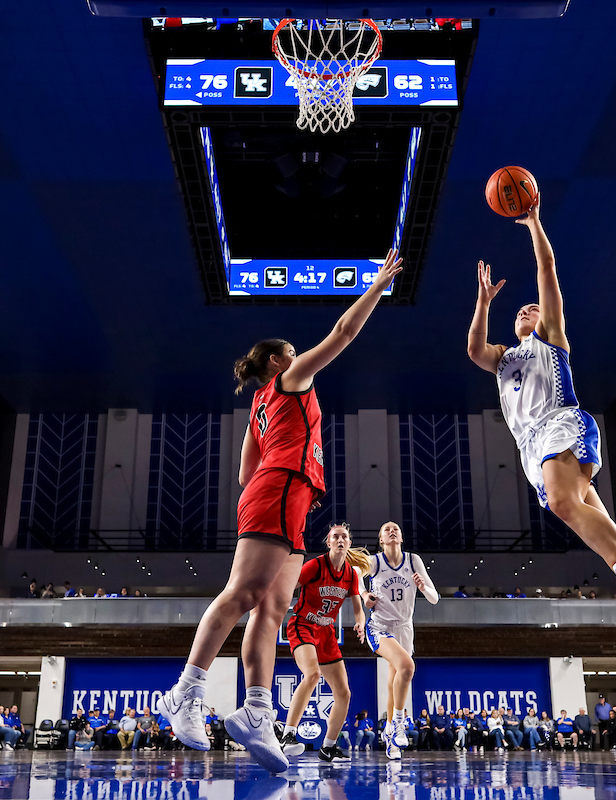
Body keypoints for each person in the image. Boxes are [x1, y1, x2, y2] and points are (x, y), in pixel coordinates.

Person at [155, 250, 402, 774]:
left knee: (272, 610)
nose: (298, 354)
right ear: (277, 362)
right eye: (291, 350)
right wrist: (377, 286)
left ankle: (258, 711)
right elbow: (343, 333)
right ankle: (184, 693)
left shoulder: (259, 407)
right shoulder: (290, 381)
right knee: (242, 595)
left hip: (285, 494)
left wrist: (280, 471)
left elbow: (244, 471)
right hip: (280, 490)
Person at [466, 200, 616, 659]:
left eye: (532, 309)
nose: (528, 310)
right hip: (532, 450)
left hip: (562, 423)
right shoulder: (502, 359)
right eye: (522, 311)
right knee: (607, 533)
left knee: (563, 503)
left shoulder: (551, 339)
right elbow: (474, 347)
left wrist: (534, 224)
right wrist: (483, 302)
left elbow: (547, 270)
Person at [279, 522, 367, 764]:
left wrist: (360, 623)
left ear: (349, 543)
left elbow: (358, 609)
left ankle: (328, 747)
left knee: (344, 693)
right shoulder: (315, 565)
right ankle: (288, 734)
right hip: (303, 624)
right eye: (335, 536)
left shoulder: (350, 573)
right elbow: (289, 587)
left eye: (344, 537)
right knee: (313, 674)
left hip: (326, 633)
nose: (340, 540)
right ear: (328, 542)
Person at [360, 520, 439, 760]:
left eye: (396, 529)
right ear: (381, 539)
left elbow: (434, 598)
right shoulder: (374, 562)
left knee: (396, 677)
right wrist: (364, 594)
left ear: (402, 538)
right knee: (407, 667)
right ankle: (399, 723)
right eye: (386, 529)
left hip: (405, 628)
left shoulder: (413, 560)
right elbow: (352, 574)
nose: (392, 531)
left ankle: (389, 736)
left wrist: (423, 586)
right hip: (379, 627)